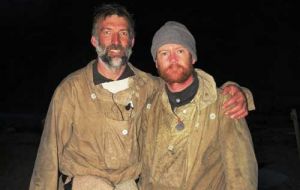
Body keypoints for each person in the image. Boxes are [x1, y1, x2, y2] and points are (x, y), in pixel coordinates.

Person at [29, 3, 255, 190]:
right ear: (95, 41)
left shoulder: (149, 87)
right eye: (107, 33)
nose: (116, 42)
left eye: (123, 34)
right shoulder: (70, 90)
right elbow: (48, 155)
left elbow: (186, 87)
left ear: (132, 42)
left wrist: (237, 91)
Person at [138, 21, 258, 190]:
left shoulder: (224, 103)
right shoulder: (149, 107)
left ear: (192, 57)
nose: (172, 59)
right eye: (164, 53)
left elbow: (241, 175)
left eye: (180, 51)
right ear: (156, 62)